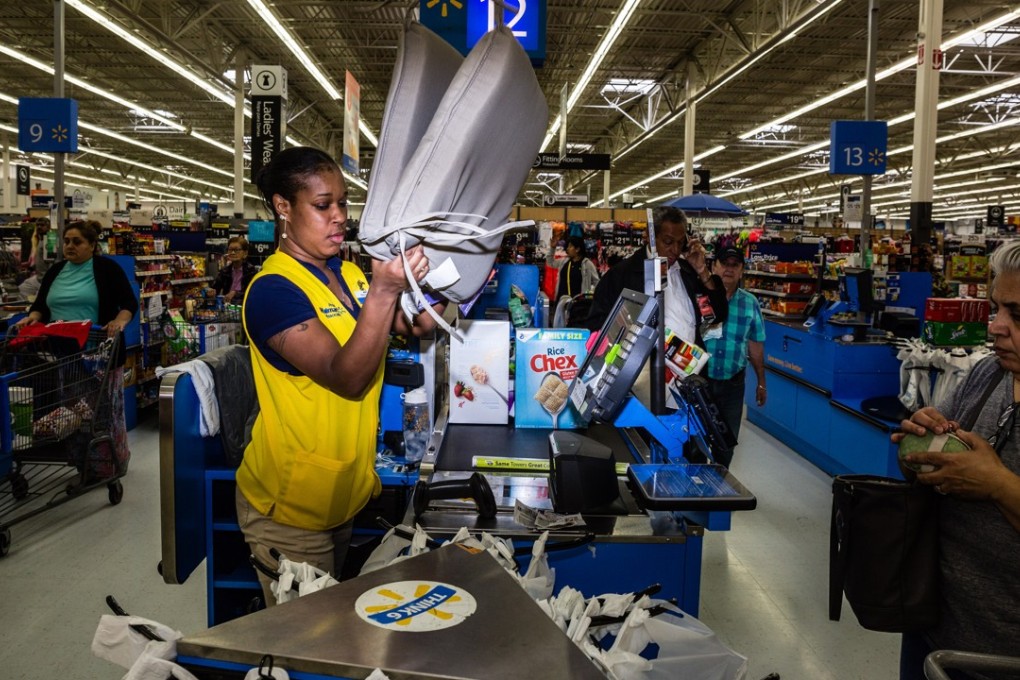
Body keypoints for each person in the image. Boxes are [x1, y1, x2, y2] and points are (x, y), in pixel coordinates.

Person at [238, 146, 444, 604]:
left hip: (341, 497)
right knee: (306, 649)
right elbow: (345, 376)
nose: (339, 217)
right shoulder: (273, 291)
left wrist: (449, 271)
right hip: (290, 510)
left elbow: (418, 325)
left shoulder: (349, 273)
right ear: (283, 207)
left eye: (343, 203)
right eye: (322, 205)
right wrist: (385, 290)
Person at [893, 240, 1020, 680]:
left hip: (1000, 659)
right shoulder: (990, 373)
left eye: (1016, 315)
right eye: (996, 308)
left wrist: (998, 484)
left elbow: (989, 480)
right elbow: (934, 468)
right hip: (933, 630)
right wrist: (920, 448)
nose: (996, 327)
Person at [12, 220, 137, 478]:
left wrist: (119, 321)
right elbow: (41, 306)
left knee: (102, 410)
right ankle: (82, 460)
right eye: (67, 241)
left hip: (99, 353)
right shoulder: (56, 270)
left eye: (77, 241)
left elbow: (128, 303)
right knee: (72, 409)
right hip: (65, 353)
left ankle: (109, 463)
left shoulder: (106, 269)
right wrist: (33, 317)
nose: (70, 246)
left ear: (92, 245)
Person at [586, 206, 727, 353]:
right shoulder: (620, 275)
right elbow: (597, 326)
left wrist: (702, 271)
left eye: (680, 242)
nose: (675, 249)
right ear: (650, 237)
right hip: (645, 370)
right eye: (668, 242)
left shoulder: (688, 272)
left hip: (691, 369)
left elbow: (716, 316)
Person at [701, 245, 766, 466]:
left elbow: (755, 346)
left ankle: (717, 495)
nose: (729, 269)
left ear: (741, 271)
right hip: (701, 384)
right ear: (713, 266)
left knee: (725, 446)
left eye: (734, 265)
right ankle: (692, 495)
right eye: (724, 264)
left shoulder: (750, 303)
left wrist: (761, 382)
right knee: (694, 444)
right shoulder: (699, 297)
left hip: (732, 387)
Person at [548, 234, 599, 326]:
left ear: (577, 249)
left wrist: (589, 295)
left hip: (578, 306)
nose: (567, 248)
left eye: (570, 246)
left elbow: (597, 282)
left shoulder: (587, 264)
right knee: (560, 328)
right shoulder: (564, 262)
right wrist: (552, 248)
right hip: (561, 304)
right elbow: (550, 262)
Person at [210, 236, 258, 304]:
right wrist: (212, 291)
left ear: (245, 253)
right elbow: (215, 288)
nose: (232, 252)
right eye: (230, 249)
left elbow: (253, 293)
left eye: (236, 250)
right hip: (227, 309)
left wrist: (235, 293)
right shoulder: (224, 271)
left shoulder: (252, 272)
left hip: (245, 307)